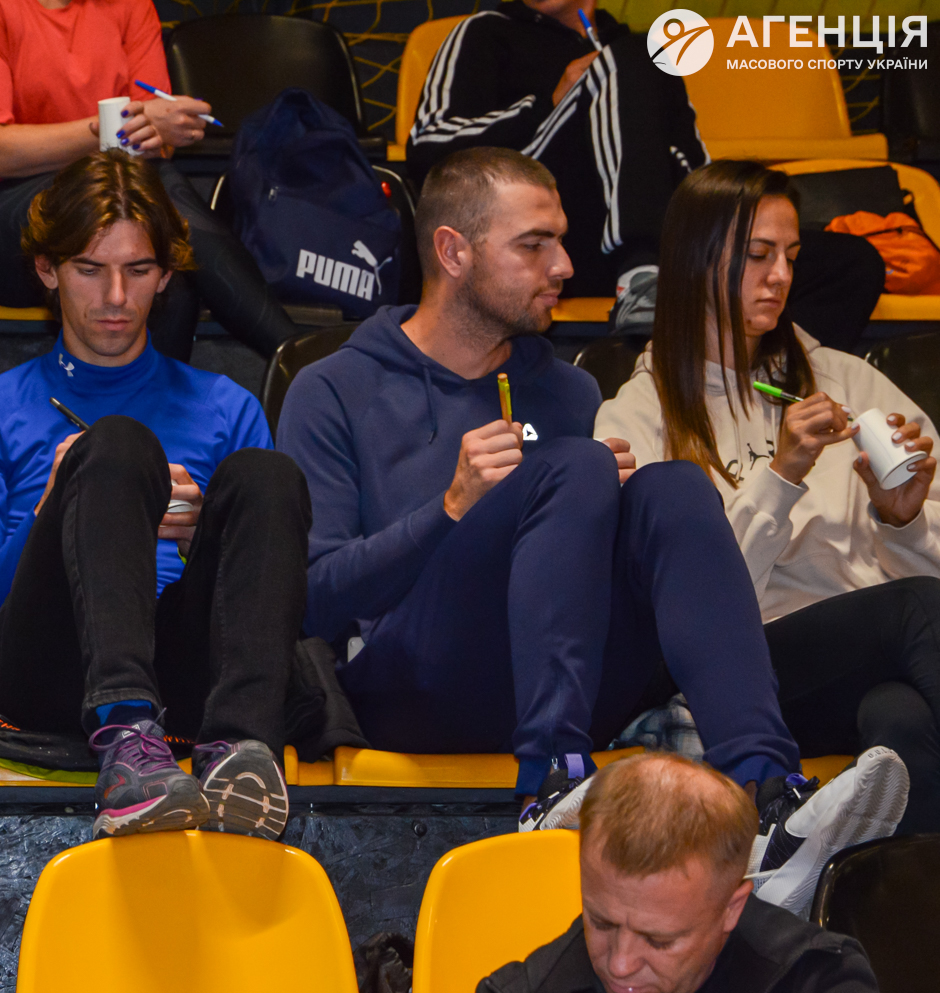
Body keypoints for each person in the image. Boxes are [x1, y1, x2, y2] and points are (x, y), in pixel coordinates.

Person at [275, 147, 906, 915]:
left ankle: (766, 793)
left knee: (670, 485)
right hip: (411, 687)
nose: (566, 266)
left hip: (569, 679)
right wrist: (450, 508)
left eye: (563, 241)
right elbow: (313, 600)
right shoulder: (333, 387)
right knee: (576, 465)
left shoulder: (568, 389)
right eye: (534, 244)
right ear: (453, 251)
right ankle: (552, 783)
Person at [0, 151, 310, 841]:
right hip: (48, 668)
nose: (115, 296)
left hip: (185, 674)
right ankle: (126, 735)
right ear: (47, 270)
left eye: (138, 270)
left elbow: (271, 597)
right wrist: (53, 505)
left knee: (268, 475)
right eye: (89, 268)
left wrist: (201, 538)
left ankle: (241, 750)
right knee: (114, 445)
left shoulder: (225, 406)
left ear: (166, 276)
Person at [595, 161, 940, 836]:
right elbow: (685, 609)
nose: (781, 275)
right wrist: (779, 478)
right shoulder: (638, 412)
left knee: (903, 720)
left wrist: (900, 521)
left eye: (790, 255)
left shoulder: (847, 379)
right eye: (758, 255)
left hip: (867, 662)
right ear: (696, 262)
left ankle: (853, 897)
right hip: (741, 679)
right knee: (914, 612)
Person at [404, 0, 885, 348]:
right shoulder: (484, 32)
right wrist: (547, 105)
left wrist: (741, 235)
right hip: (542, 238)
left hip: (665, 246)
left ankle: (754, 385)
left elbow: (694, 168)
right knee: (627, 56)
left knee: (850, 263)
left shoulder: (641, 56)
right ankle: (640, 271)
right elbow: (429, 148)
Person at [0, 0, 301, 361]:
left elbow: (151, 142)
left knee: (166, 276)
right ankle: (295, 354)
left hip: (97, 203)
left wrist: (159, 129)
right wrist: (113, 132)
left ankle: (147, 425)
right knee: (151, 191)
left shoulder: (130, 6)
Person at [480, 752, 880, 993]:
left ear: (732, 909)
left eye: (659, 941)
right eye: (600, 923)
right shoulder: (526, 988)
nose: (620, 964)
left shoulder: (817, 979)